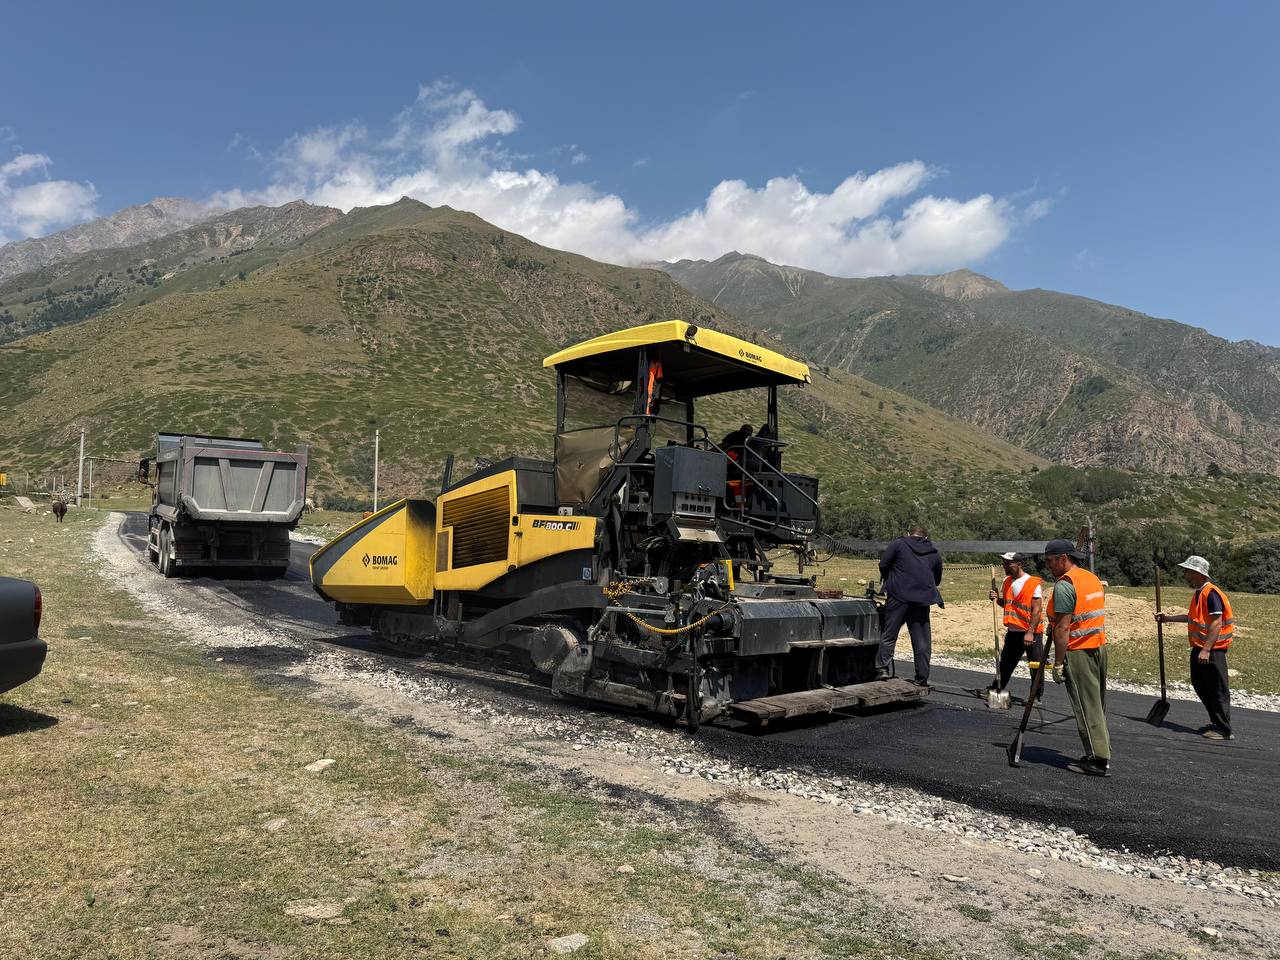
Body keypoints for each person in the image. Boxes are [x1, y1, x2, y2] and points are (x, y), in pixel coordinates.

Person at [1044, 538, 1111, 777]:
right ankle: (1097, 751)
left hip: (1079, 650)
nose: (1048, 566)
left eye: (1050, 561)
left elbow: (1063, 629)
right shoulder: (1090, 578)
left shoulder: (1064, 585)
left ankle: (1098, 759)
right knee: (1096, 704)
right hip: (1098, 647)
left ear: (1063, 558)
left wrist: (1059, 662)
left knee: (1085, 706)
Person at [1155, 555, 1235, 740]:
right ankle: (1216, 722)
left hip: (1212, 650)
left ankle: (1224, 729)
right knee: (1201, 685)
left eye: (1187, 571)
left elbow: (1216, 623)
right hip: (1200, 648)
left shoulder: (1212, 594)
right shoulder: (1200, 593)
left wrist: (1207, 649)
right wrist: (1168, 619)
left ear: (1197, 573)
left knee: (1216, 689)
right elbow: (1193, 618)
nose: (1185, 575)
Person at [874, 524, 943, 687]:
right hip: (922, 599)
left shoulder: (899, 544)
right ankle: (922, 677)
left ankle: (882, 669)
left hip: (899, 596)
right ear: (925, 537)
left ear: (908, 534)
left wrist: (890, 578)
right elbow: (937, 578)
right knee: (922, 640)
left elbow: (883, 564)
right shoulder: (933, 553)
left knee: (889, 634)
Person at [986, 551, 1044, 694]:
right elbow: (1008, 604)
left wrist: (1030, 632)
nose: (1005, 566)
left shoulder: (1032, 583)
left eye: (1008, 563)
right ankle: (997, 688)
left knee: (1035, 666)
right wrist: (996, 599)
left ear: (1019, 564)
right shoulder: (1007, 582)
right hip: (1013, 631)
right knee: (1005, 663)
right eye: (1004, 563)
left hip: (1031, 632)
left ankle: (1036, 695)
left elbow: (1036, 610)